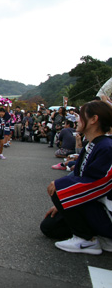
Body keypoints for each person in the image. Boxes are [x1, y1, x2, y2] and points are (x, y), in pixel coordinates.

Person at [40, 101, 112, 255]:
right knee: (49, 227)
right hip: (92, 203)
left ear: (93, 119)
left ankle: (87, 240)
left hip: (106, 210)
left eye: (81, 116)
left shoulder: (106, 146)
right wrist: (63, 204)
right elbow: (81, 176)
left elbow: (101, 183)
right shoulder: (91, 144)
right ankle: (94, 235)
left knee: (60, 188)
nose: (77, 120)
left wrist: (63, 189)